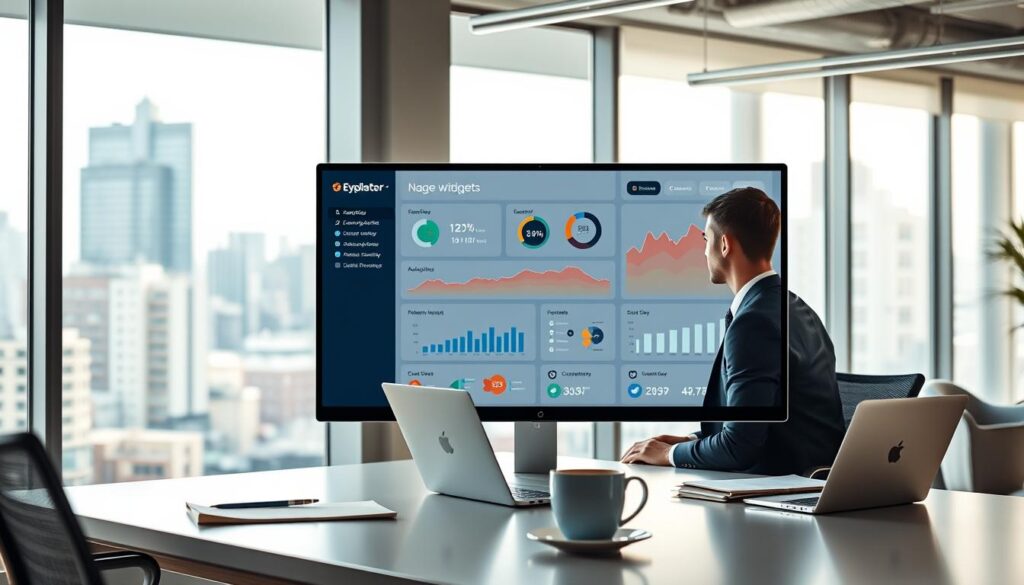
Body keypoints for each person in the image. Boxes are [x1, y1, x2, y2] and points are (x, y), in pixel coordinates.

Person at [620, 187, 845, 475]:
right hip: (803, 482)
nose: (703, 250)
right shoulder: (798, 309)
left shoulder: (753, 322)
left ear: (724, 244)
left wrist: (669, 454)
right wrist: (689, 441)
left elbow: (739, 446)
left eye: (706, 239)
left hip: (769, 495)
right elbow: (766, 427)